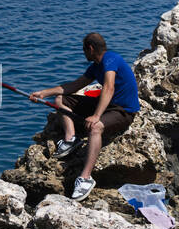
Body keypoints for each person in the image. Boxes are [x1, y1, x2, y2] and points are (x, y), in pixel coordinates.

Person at [30, 33, 140, 201]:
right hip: (105, 105)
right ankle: (71, 138)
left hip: (123, 110)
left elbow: (109, 87)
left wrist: (96, 116)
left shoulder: (110, 59)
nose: (83, 53)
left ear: (90, 48)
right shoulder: (95, 66)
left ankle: (86, 178)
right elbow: (74, 86)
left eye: (84, 50)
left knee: (95, 127)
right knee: (61, 99)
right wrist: (43, 93)